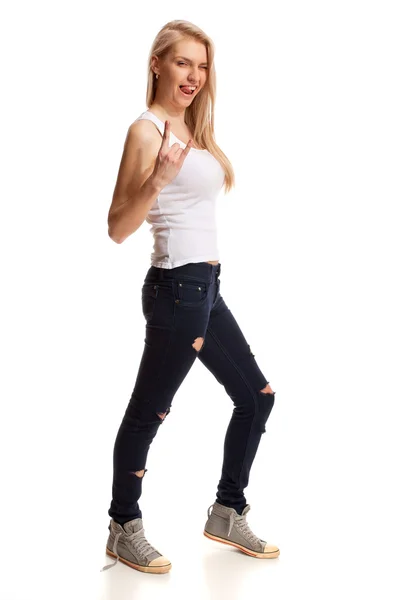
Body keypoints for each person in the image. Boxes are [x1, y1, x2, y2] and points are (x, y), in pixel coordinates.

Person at [101, 19, 279, 575]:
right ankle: (123, 525)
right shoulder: (146, 131)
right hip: (177, 288)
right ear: (157, 64)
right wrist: (155, 181)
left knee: (258, 397)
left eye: (201, 66)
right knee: (149, 412)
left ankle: (227, 510)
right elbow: (116, 226)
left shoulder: (194, 127)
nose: (194, 76)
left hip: (207, 287)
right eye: (183, 63)